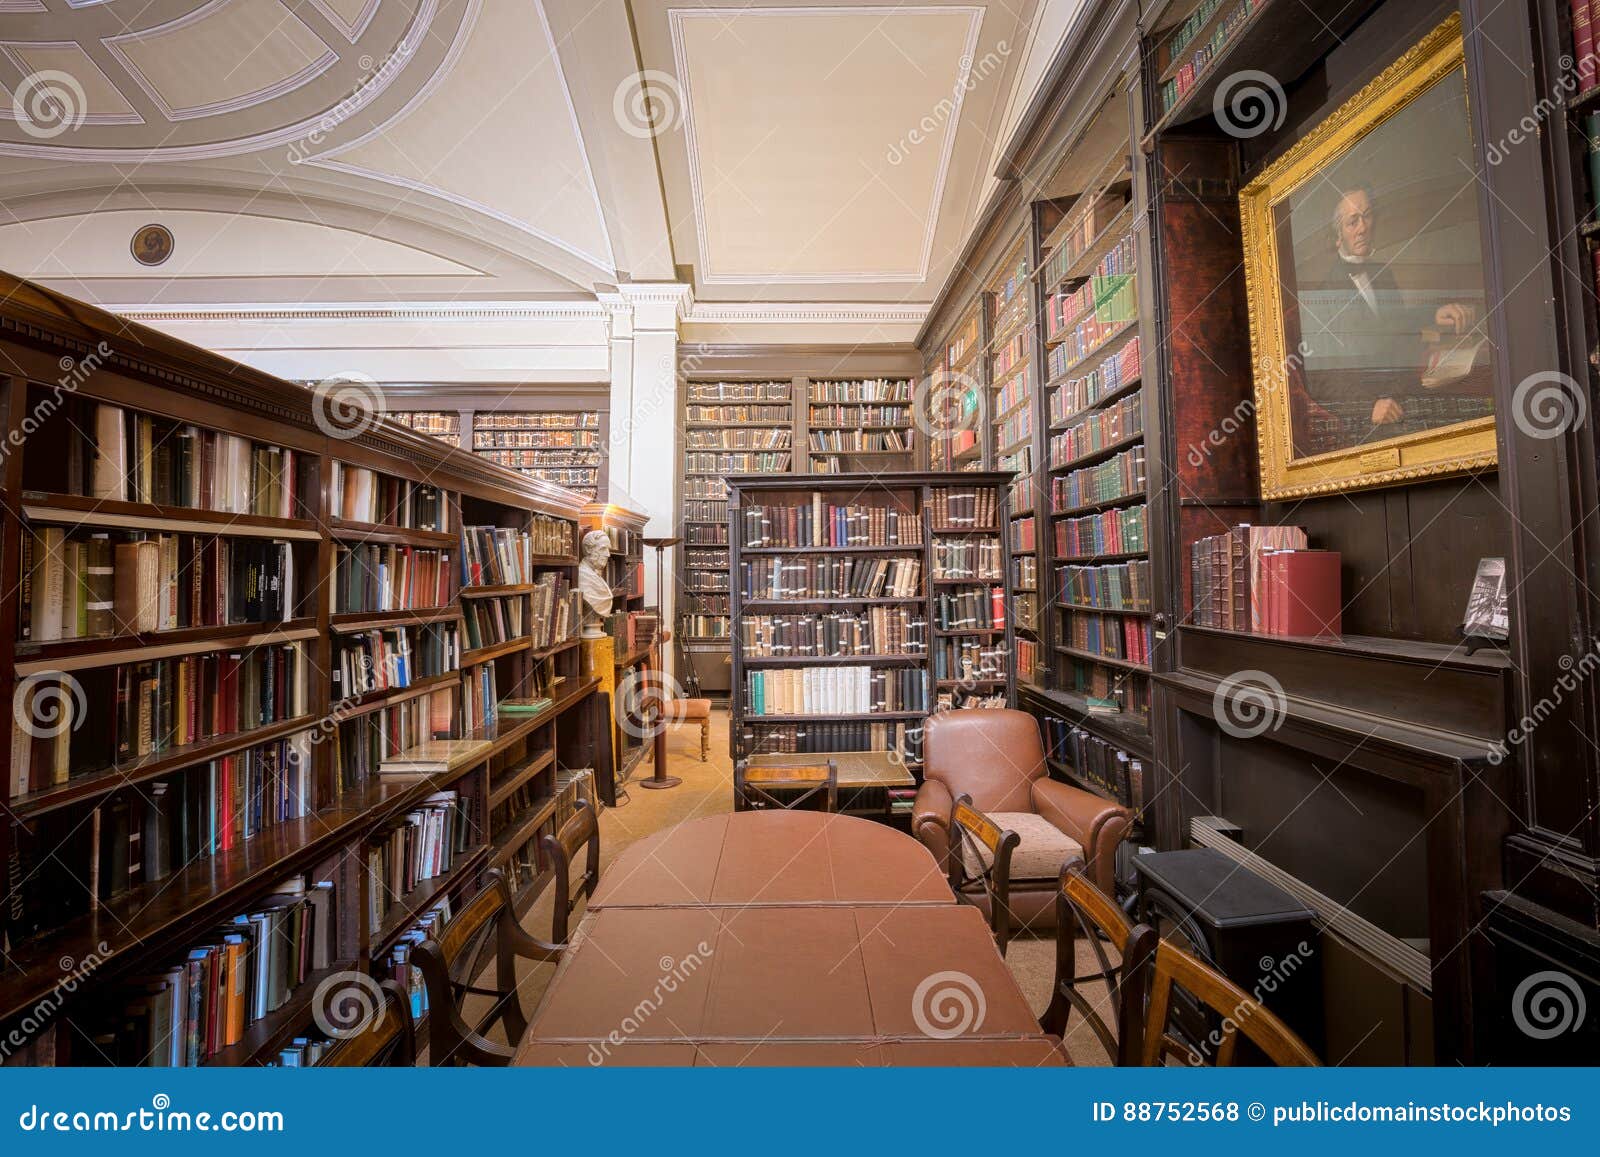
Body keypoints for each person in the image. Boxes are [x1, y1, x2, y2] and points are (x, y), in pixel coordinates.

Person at [1294, 185, 1478, 436]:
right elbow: (1320, 379)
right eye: (1352, 222)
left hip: (1404, 393)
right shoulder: (1326, 295)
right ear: (1338, 236)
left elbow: (1392, 323)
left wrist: (1433, 314)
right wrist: (1369, 406)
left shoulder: (1383, 274)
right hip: (1367, 417)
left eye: (1367, 216)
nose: (1363, 228)